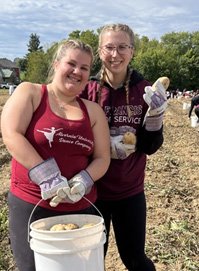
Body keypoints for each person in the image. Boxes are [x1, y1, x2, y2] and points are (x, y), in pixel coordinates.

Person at [0, 39, 111, 271]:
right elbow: (12, 134)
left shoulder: (93, 111)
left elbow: (102, 158)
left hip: (80, 209)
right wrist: (47, 176)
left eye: (84, 68)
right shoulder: (30, 92)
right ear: (57, 64)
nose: (77, 71)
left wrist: (84, 180)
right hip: (33, 205)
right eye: (71, 63)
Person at [78, 23, 167, 271]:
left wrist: (155, 118)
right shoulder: (86, 90)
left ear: (132, 51)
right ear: (99, 51)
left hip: (129, 190)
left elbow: (150, 147)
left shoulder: (145, 90)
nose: (115, 54)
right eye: (109, 47)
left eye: (122, 47)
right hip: (92, 192)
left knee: (135, 260)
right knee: (93, 262)